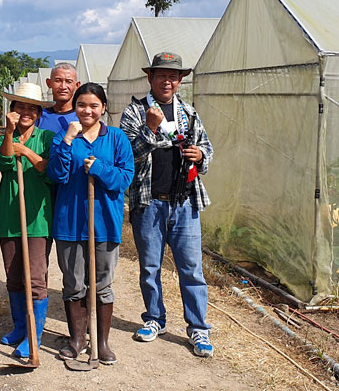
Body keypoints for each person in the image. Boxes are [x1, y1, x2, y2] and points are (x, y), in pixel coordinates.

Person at [119, 52, 215, 358]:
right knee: (150, 267)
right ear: (150, 78)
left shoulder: (189, 112)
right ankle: (154, 319)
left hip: (185, 202)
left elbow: (207, 149)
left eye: (173, 76)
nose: (167, 81)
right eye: (161, 75)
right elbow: (129, 154)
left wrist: (201, 157)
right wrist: (150, 128)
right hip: (149, 202)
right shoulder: (135, 111)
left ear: (180, 80)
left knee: (191, 269)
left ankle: (198, 328)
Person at [47, 83, 134, 365]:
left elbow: (124, 179)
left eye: (94, 105)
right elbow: (56, 175)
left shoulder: (117, 138)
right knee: (74, 284)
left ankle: (102, 341)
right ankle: (76, 340)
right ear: (75, 107)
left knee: (102, 285)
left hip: (105, 223)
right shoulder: (63, 136)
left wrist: (99, 168)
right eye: (82, 105)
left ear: (103, 108)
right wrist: (68, 142)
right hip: (70, 223)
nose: (87, 110)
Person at [0, 82, 55, 358]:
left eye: (32, 108)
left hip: (37, 219)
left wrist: (27, 152)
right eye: (20, 106)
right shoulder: (1, 138)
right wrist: (9, 134)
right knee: (13, 276)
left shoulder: (48, 138)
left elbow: (51, 172)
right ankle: (19, 326)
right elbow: (3, 162)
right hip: (9, 215)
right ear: (12, 109)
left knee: (36, 279)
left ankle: (33, 335)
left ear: (39, 113)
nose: (26, 112)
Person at [38, 62, 80, 133]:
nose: (63, 87)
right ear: (49, 83)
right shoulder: (38, 116)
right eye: (58, 81)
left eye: (69, 81)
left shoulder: (82, 117)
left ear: (77, 85)